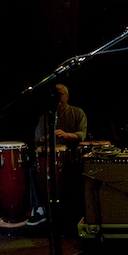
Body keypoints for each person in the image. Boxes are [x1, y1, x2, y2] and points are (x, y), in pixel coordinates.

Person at [28, 83, 88, 226]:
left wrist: (66, 135)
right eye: (56, 94)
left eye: (61, 94)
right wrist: (44, 139)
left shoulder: (77, 113)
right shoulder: (46, 117)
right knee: (31, 171)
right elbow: (37, 139)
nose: (59, 98)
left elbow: (82, 135)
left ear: (67, 96)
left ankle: (73, 211)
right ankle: (39, 208)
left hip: (70, 157)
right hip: (48, 159)